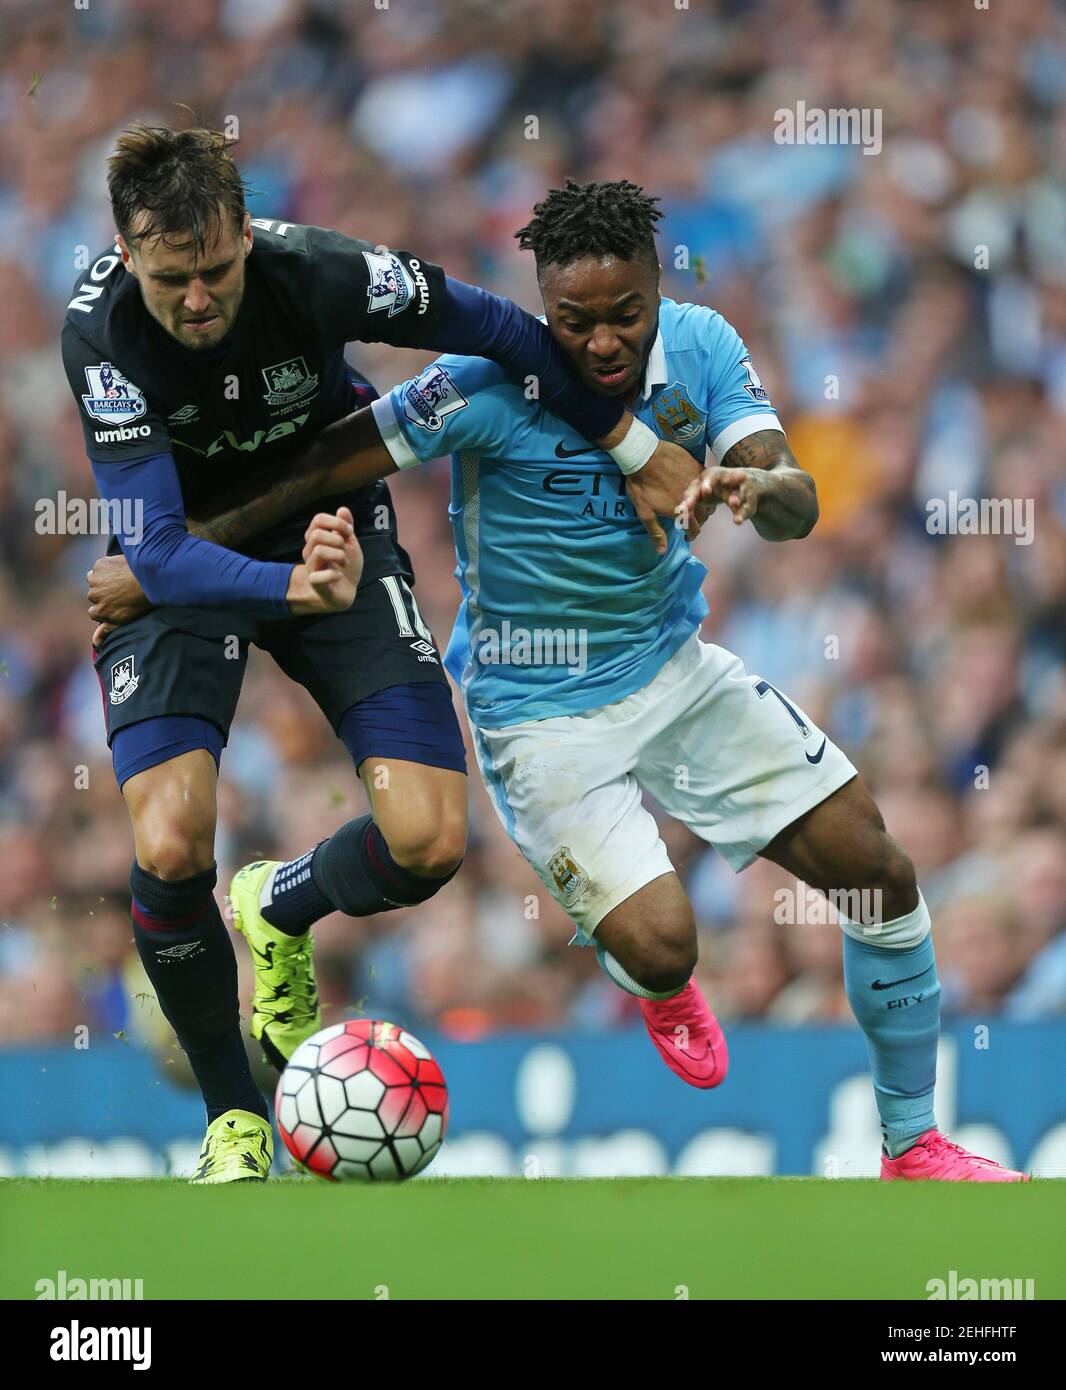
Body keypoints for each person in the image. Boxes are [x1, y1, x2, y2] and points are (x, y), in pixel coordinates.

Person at [92, 178, 1029, 1182]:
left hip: (676, 670)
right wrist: (163, 562)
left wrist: (755, 487)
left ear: (657, 292)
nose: (601, 344)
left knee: (879, 870)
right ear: (544, 306)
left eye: (625, 314)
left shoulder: (703, 348)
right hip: (537, 717)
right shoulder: (483, 384)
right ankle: (652, 981)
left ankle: (911, 1142)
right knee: (666, 947)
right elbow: (325, 463)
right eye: (574, 321)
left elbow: (793, 496)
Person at [64, 126, 699, 1185]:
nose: (198, 299)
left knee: (428, 840)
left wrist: (627, 443)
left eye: (217, 268)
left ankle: (279, 904)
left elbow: (500, 327)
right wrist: (287, 587)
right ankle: (235, 1120)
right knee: (171, 842)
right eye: (173, 277)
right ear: (130, 256)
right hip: (188, 566)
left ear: (244, 238)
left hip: (328, 525)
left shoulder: (320, 270)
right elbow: (161, 555)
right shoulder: (102, 335)